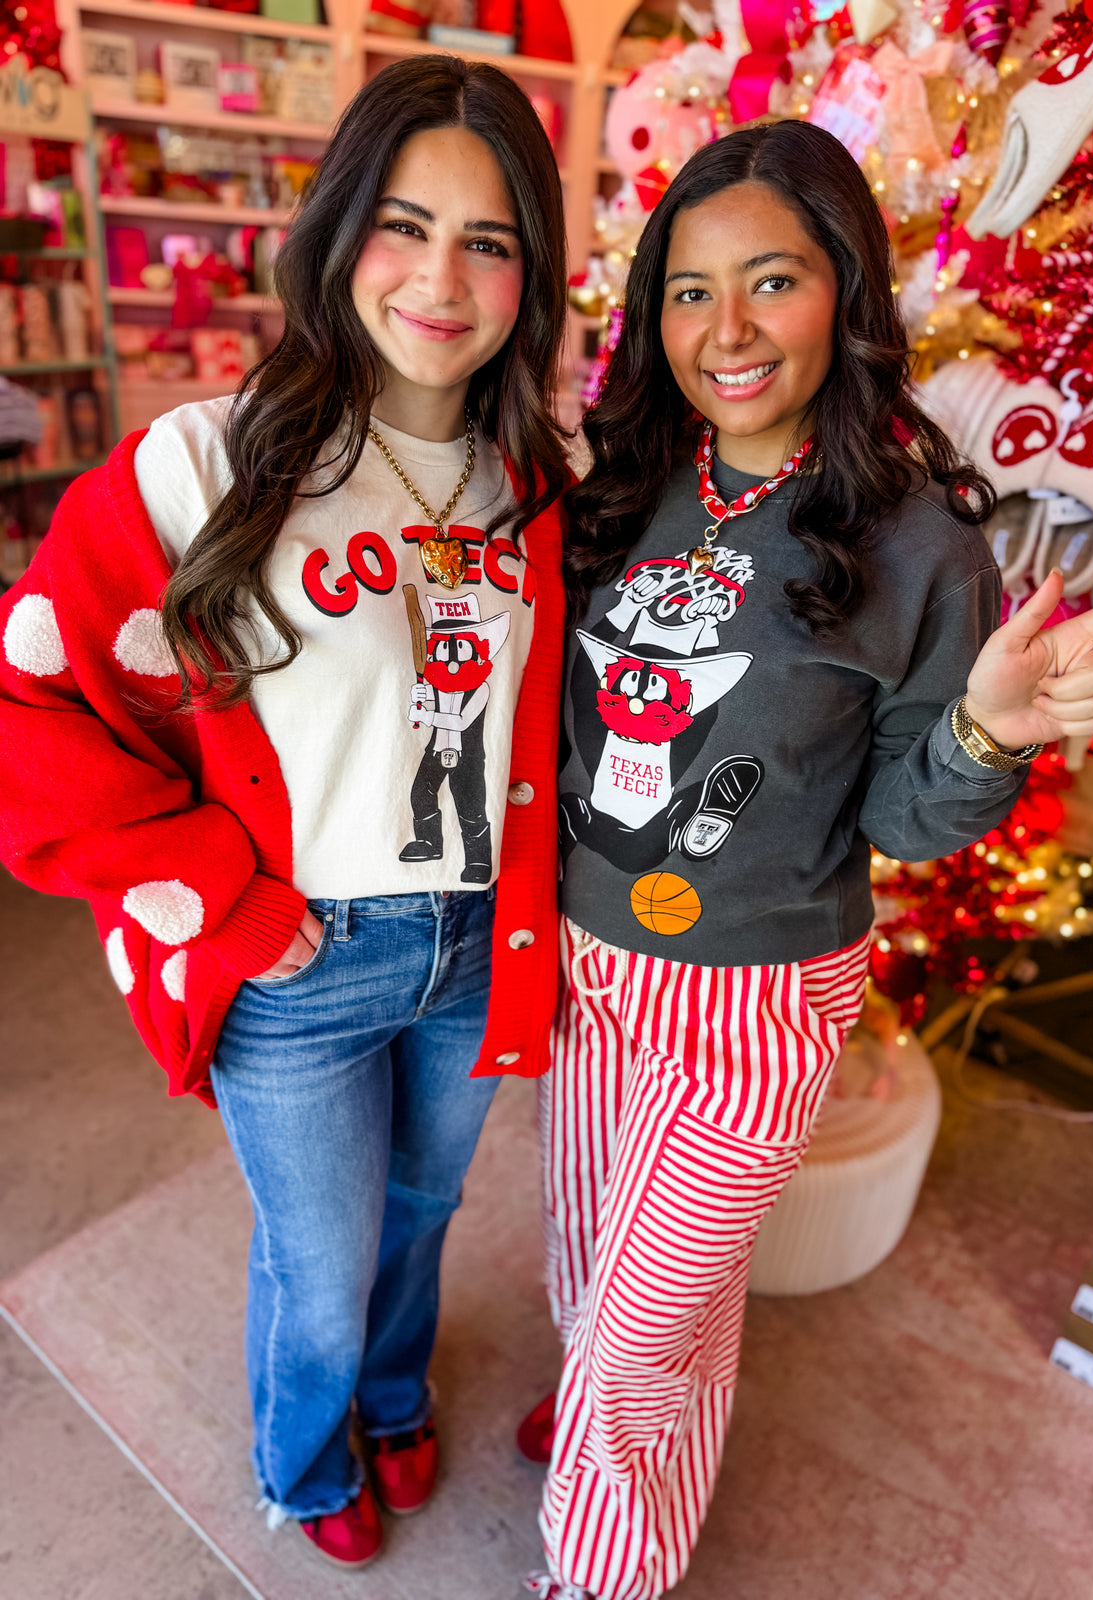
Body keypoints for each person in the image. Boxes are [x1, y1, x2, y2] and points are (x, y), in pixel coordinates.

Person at [519, 121, 1093, 1600]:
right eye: (689, 292)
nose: (727, 329)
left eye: (773, 280)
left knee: (645, 1323)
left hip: (754, 1003)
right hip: (586, 967)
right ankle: (598, 1442)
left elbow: (901, 819)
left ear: (846, 292)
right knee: (594, 1279)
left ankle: (596, 1569)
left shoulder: (918, 544)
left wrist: (990, 731)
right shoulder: (617, 489)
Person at [0, 56, 568, 1570]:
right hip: (298, 960)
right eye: (403, 223)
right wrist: (223, 897)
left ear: (534, 273)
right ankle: (304, 1460)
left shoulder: (537, 483)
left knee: (426, 1215)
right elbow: (33, 717)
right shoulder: (205, 461)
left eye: (491, 238)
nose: (443, 277)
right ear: (334, 234)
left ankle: (392, 1397)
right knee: (319, 1264)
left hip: (470, 946)